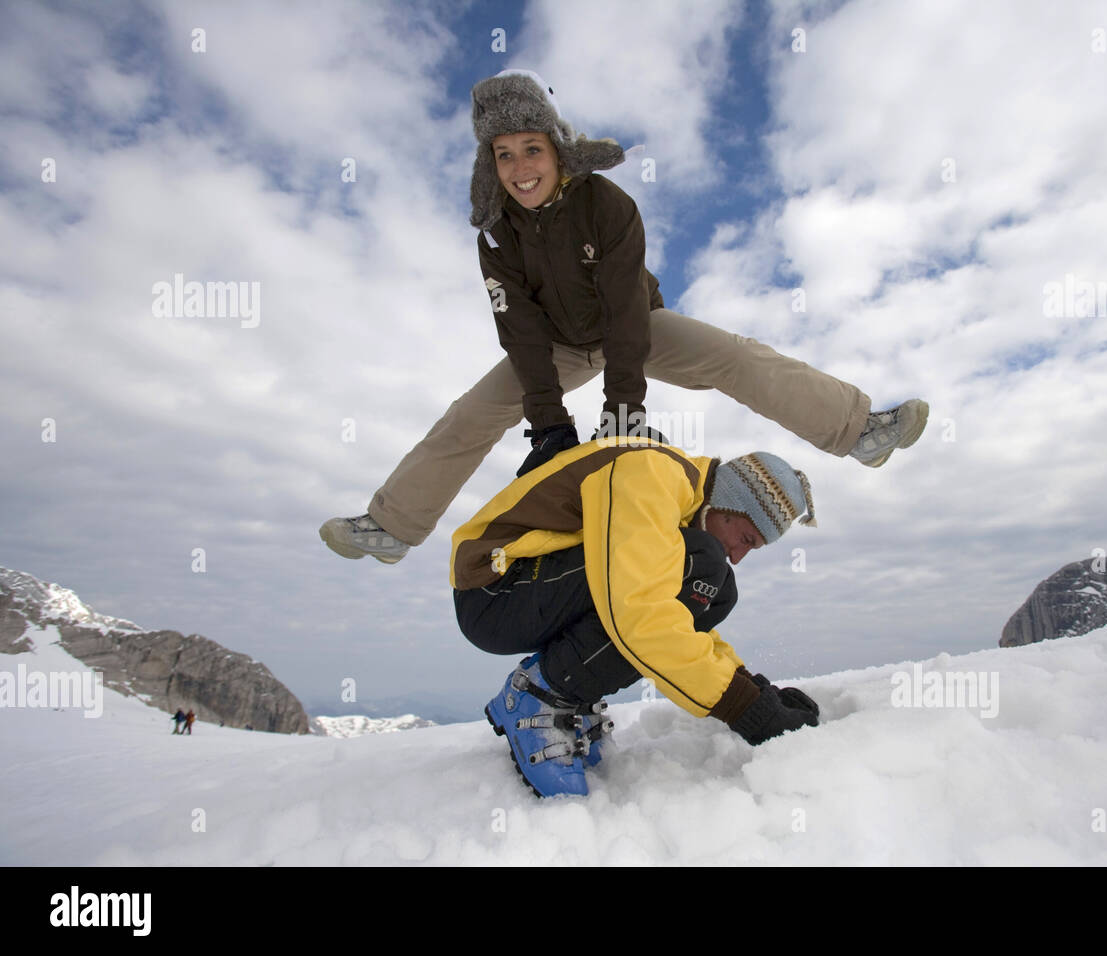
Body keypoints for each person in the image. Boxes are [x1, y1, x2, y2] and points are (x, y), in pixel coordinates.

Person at [320, 69, 927, 565]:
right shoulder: (496, 234)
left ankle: (859, 431)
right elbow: (521, 331)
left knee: (736, 355)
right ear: (491, 164)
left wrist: (623, 407)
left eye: (532, 148)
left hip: (631, 326)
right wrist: (550, 422)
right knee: (470, 415)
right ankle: (394, 525)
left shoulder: (608, 207)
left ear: (557, 149)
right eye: (504, 155)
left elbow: (625, 307)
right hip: (555, 346)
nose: (520, 167)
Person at [451, 435, 822, 797]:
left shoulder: (680, 505)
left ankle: (572, 689)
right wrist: (749, 710)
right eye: (746, 539)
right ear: (729, 504)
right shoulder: (652, 474)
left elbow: (674, 620)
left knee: (718, 589)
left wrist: (754, 690)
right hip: (495, 588)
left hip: (532, 587)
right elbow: (642, 614)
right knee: (703, 566)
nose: (740, 555)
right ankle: (542, 691)